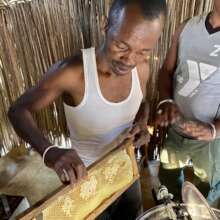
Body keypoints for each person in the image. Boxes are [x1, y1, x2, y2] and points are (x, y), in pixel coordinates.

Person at [8, 0, 166, 218]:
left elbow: (142, 102)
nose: (129, 60)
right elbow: (18, 110)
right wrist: (49, 152)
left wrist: (141, 121)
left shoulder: (142, 69)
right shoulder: (73, 73)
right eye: (122, 46)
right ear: (105, 25)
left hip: (125, 169)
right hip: (84, 180)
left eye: (143, 51)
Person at [156, 0, 220, 207]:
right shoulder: (187, 27)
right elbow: (166, 70)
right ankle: (175, 209)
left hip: (211, 139)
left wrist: (213, 130)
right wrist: (166, 100)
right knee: (169, 179)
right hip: (176, 128)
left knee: (206, 191)